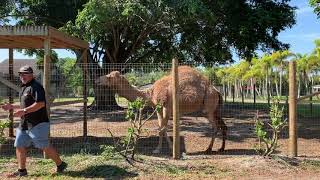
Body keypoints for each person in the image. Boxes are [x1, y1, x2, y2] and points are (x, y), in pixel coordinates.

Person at [1, 65, 67, 177]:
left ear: (32, 75)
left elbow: (40, 104)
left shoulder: (36, 86)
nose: (22, 76)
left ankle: (60, 164)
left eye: (25, 73)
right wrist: (11, 106)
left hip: (38, 123)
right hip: (24, 124)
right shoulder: (24, 87)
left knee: (44, 146)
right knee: (19, 145)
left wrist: (24, 111)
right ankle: (22, 171)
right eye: (21, 74)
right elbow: (24, 104)